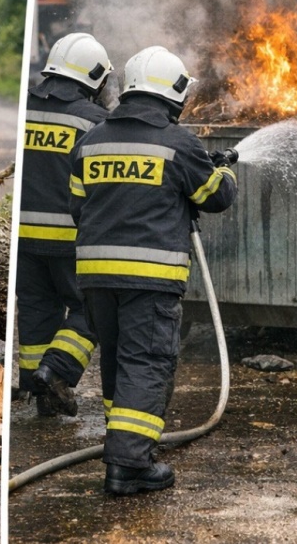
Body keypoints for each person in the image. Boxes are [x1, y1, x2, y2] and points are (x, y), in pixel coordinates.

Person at [70, 46, 236, 495]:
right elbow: (215, 198)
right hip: (150, 278)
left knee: (118, 361)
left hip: (94, 276)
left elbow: (77, 208)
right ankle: (129, 466)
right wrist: (223, 172)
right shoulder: (179, 143)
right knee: (146, 363)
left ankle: (123, 442)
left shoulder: (91, 140)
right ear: (174, 92)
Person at [16, 33, 112, 416]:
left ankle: (41, 396)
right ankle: (57, 370)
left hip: (23, 241)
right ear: (92, 76)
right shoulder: (93, 122)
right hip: (70, 240)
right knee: (93, 310)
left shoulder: (22, 109)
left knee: (37, 311)